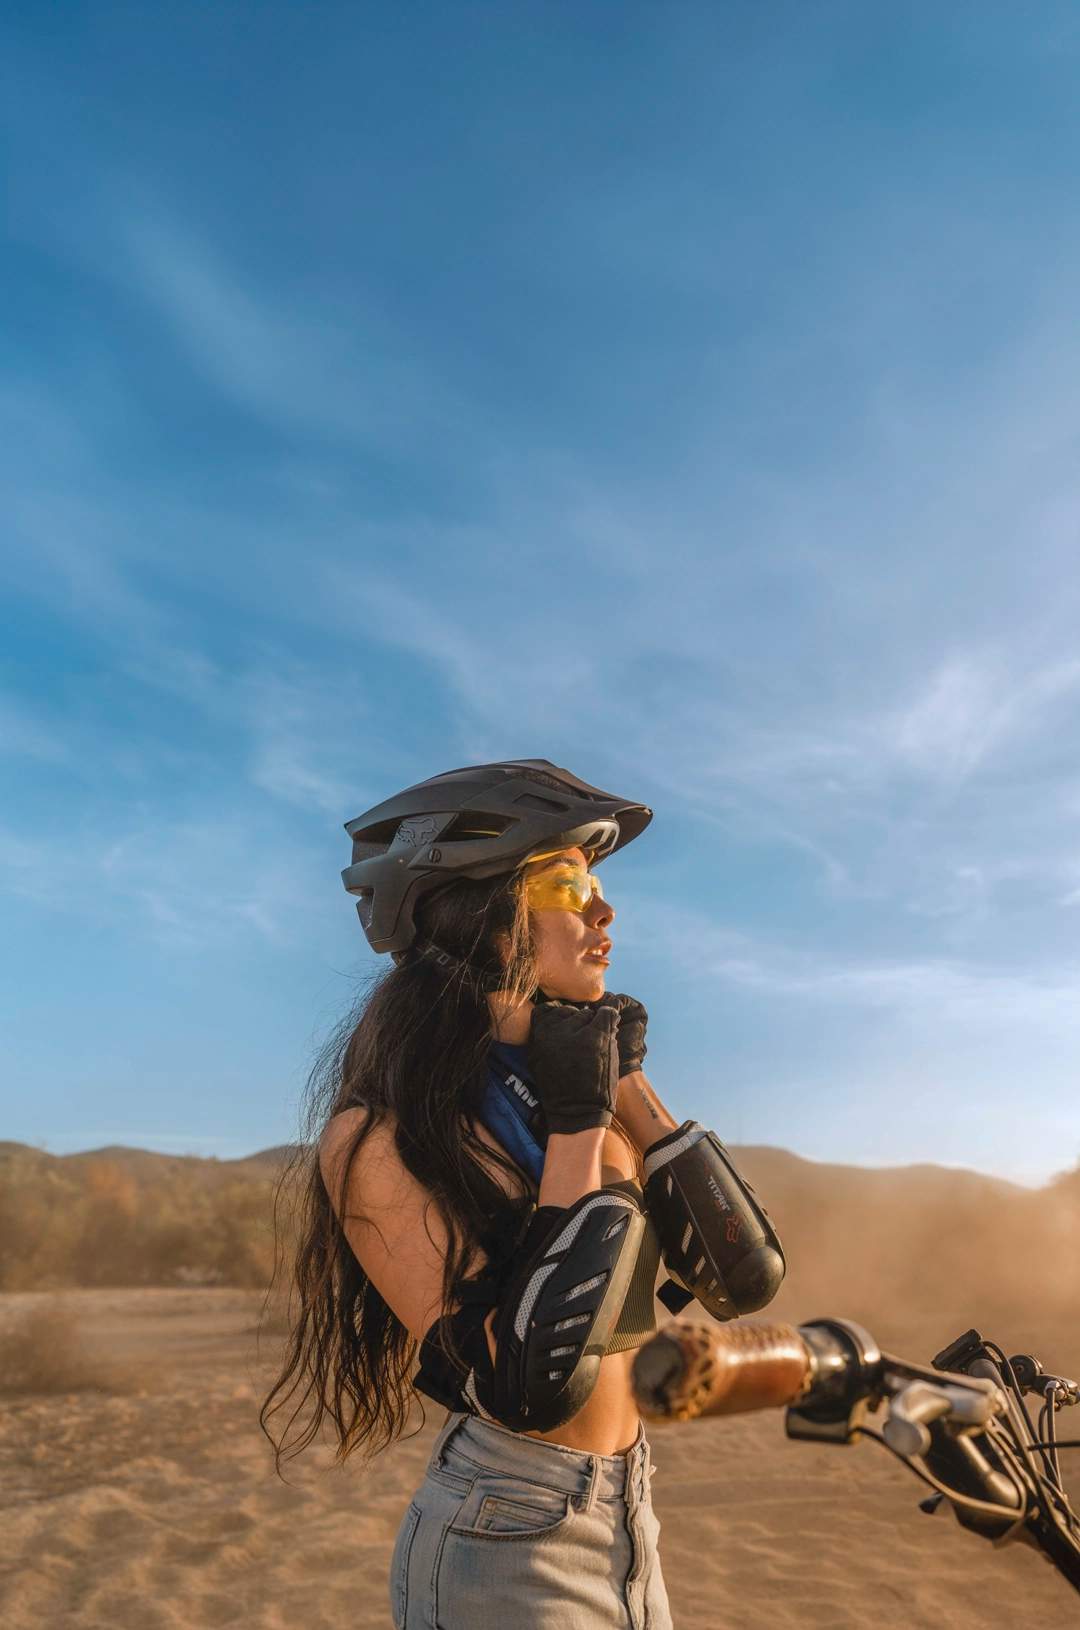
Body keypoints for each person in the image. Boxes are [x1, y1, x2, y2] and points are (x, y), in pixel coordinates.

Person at [261, 759, 785, 1629]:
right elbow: (527, 1383)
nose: (604, 911)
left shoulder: (569, 1088)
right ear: (478, 912)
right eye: (567, 880)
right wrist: (581, 1119)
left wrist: (626, 1082)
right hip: (505, 1535)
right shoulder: (378, 1137)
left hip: (629, 1512)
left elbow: (743, 1277)